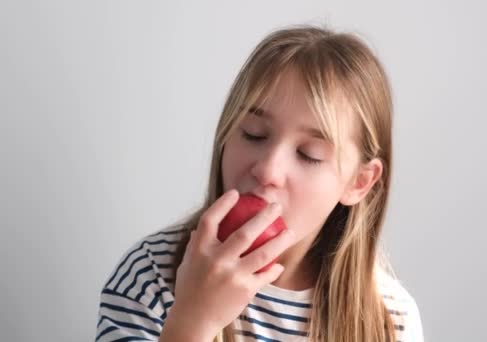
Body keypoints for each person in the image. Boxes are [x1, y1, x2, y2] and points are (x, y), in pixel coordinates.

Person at [95, 24, 424, 342]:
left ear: (359, 183)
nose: (268, 170)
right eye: (254, 134)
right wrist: (193, 321)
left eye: (309, 154)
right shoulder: (151, 273)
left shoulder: (390, 319)